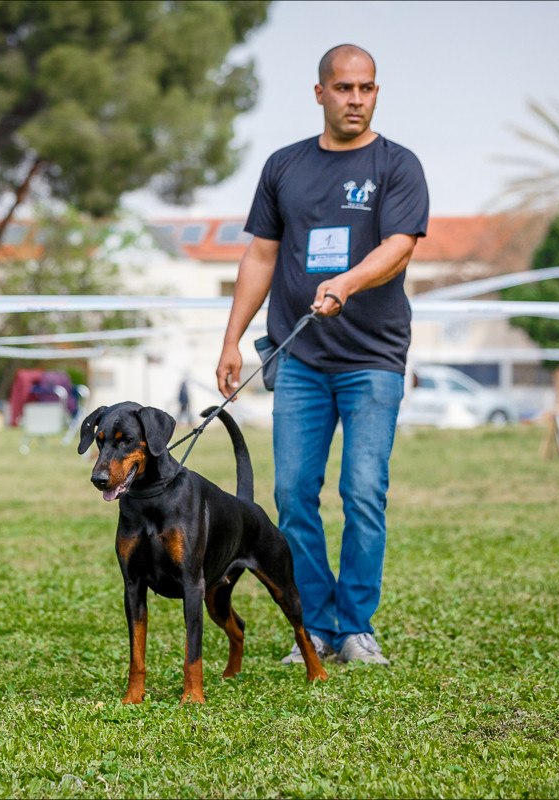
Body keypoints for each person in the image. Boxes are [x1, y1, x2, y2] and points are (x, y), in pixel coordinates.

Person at [215, 44, 429, 667]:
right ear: (320, 94)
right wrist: (232, 339)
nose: (355, 99)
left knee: (363, 490)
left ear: (376, 93)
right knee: (292, 495)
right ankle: (315, 628)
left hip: (373, 359)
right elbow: (259, 255)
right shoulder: (285, 166)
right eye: (343, 88)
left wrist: (347, 282)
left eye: (365, 88)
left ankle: (356, 626)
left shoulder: (398, 165)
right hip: (301, 357)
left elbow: (399, 247)